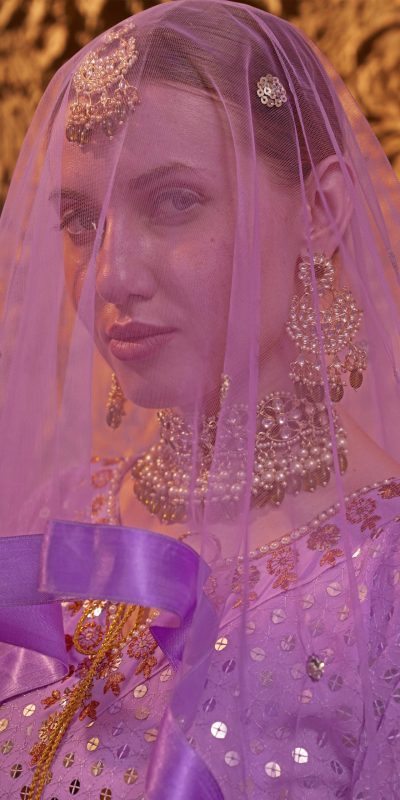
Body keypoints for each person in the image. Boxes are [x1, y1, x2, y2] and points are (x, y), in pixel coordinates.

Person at [1, 0, 400, 797]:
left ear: (320, 212)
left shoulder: (382, 583)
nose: (111, 275)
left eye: (173, 201)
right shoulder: (59, 519)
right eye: (80, 219)